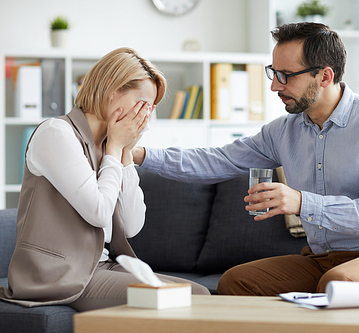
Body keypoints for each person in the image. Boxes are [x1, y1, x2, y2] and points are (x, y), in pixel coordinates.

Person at [132, 23, 359, 296]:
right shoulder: (282, 132)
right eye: (272, 72)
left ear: (324, 76)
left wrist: (300, 202)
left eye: (285, 75)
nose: (274, 86)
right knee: (235, 282)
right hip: (321, 261)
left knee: (338, 284)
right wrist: (138, 154)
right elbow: (217, 160)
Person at [0, 47, 210, 312]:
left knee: (200, 293)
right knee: (184, 300)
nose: (145, 117)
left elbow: (132, 227)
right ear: (111, 89)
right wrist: (115, 149)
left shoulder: (108, 146)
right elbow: (99, 213)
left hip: (100, 266)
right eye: (141, 104)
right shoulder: (56, 133)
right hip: (56, 273)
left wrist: (124, 154)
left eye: (151, 108)